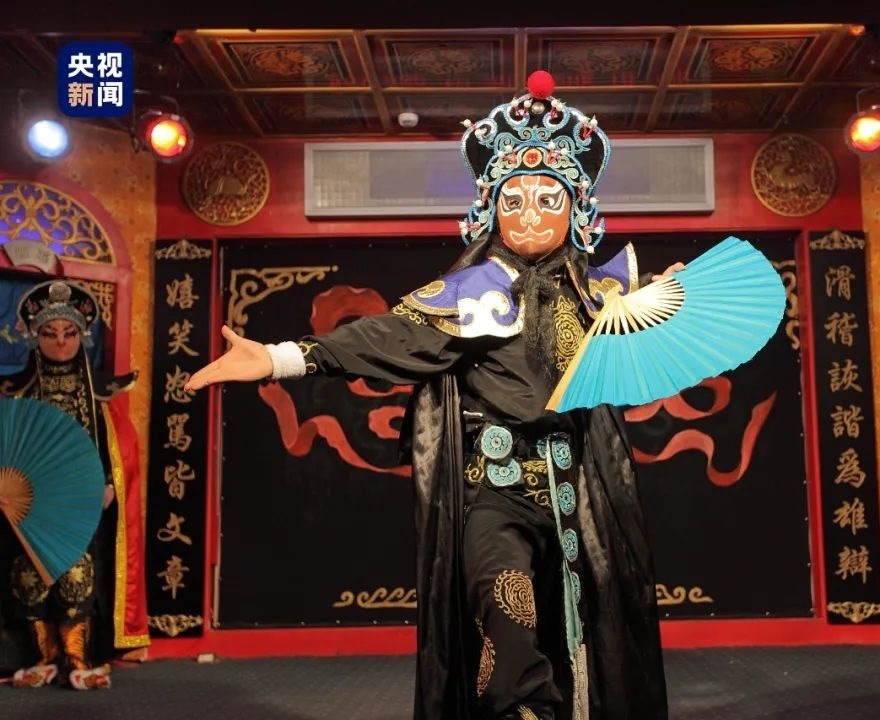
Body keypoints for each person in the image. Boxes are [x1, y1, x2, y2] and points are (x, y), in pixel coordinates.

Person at [186, 72, 672, 720]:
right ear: (491, 210)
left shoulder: (602, 297)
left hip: (572, 498)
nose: (529, 213)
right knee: (509, 624)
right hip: (493, 496)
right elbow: (385, 338)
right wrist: (280, 357)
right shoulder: (471, 293)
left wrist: (674, 303)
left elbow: (652, 340)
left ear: (575, 210)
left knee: (580, 643)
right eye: (514, 199)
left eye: (547, 198)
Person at [0, 280, 148, 689]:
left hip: (83, 503)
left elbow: (119, 450)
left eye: (69, 332)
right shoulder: (15, 393)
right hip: (28, 505)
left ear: (82, 335)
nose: (61, 342)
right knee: (28, 578)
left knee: (77, 576)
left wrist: (111, 484)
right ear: (36, 336)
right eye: (50, 333)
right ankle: (41, 657)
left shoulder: (103, 394)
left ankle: (79, 657)